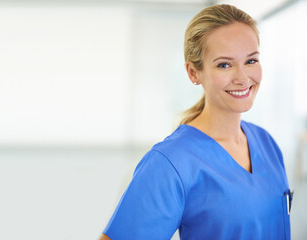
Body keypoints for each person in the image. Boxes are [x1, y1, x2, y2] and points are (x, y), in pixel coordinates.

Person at [100, 4, 292, 240]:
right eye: (224, 64)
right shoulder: (171, 163)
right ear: (193, 72)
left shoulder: (266, 144)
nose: (243, 78)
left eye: (251, 61)